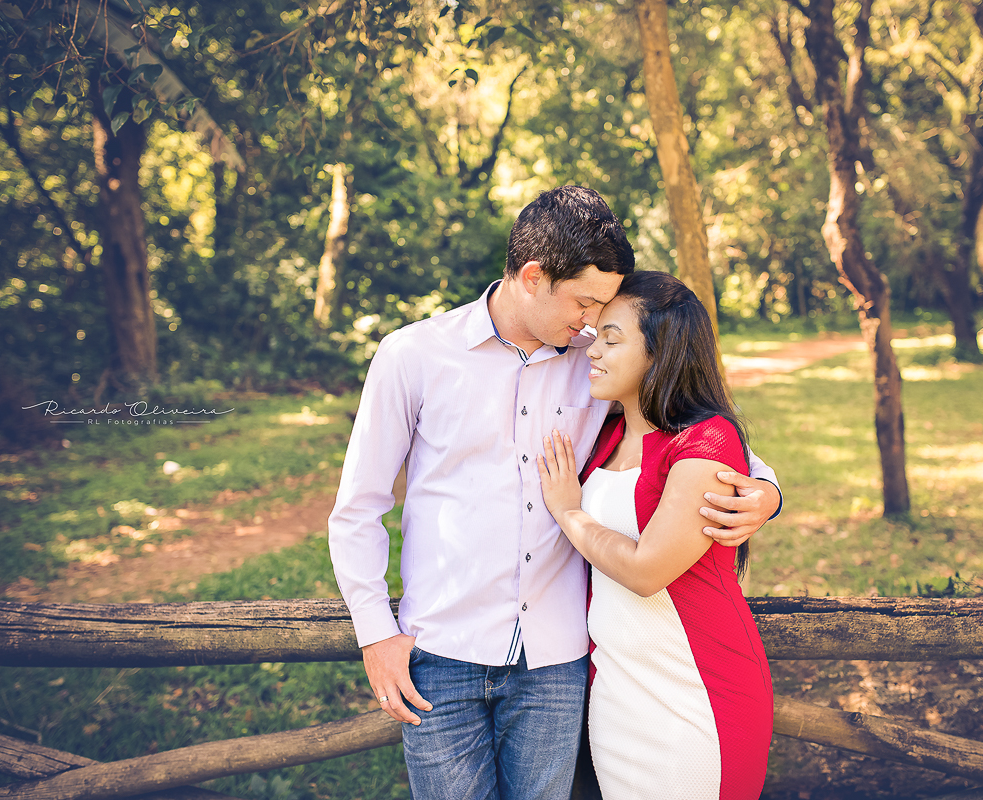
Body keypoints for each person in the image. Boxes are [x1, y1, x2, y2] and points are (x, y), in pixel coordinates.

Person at [328, 186, 781, 800]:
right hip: (441, 655)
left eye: (603, 309)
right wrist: (375, 634)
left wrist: (766, 490)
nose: (594, 322)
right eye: (585, 302)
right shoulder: (414, 356)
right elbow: (358, 508)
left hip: (557, 662)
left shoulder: (594, 361)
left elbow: (693, 424)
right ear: (534, 277)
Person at [538, 270, 775, 800]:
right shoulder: (608, 434)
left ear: (660, 351)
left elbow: (647, 571)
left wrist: (569, 513)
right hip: (618, 698)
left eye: (611, 339)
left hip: (696, 698)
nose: (592, 352)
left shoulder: (705, 441)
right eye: (595, 335)